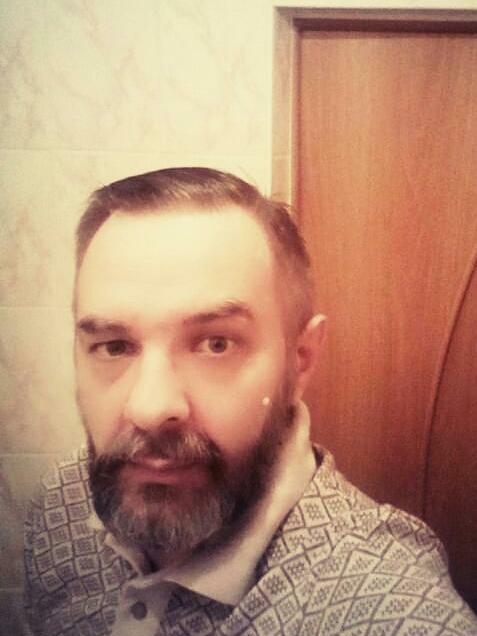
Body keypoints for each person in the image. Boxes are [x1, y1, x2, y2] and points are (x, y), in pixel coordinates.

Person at [24, 168, 477, 636]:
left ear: (300, 361)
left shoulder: (385, 603)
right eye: (114, 346)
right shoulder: (63, 503)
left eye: (216, 344)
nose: (150, 408)